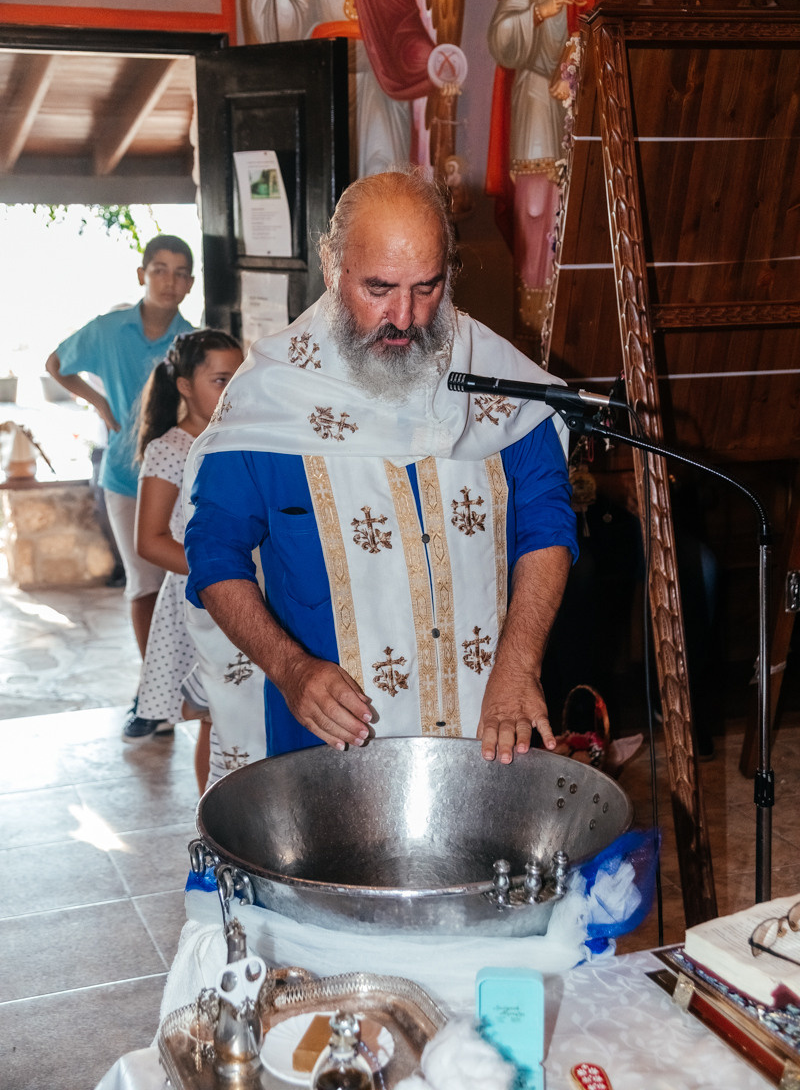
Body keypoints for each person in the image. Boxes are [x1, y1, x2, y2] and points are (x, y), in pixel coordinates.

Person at [183, 169, 579, 771]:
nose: (405, 316)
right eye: (379, 288)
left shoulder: (500, 383)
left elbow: (546, 521)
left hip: (485, 723)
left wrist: (519, 664)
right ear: (331, 266)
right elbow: (214, 554)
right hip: (330, 744)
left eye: (427, 287)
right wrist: (290, 669)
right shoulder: (270, 398)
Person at [45, 237, 196, 682]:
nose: (169, 281)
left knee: (184, 585)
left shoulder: (192, 341)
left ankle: (189, 687)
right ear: (141, 275)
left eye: (180, 273)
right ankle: (153, 689)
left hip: (181, 476)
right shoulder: (108, 329)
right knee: (144, 584)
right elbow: (56, 364)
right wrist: (99, 403)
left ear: (190, 284)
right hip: (125, 477)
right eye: (160, 270)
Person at [486, 0, 613, 362]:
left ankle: (567, 328)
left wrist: (577, 65)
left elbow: (610, 35)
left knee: (573, 207)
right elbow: (501, 40)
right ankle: (530, 327)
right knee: (534, 207)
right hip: (535, 96)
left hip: (580, 100)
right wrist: (537, 12)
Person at [123, 332, 243, 791]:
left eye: (239, 378)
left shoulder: (239, 437)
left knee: (240, 706)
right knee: (216, 713)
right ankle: (212, 818)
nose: (232, 390)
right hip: (200, 596)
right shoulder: (170, 450)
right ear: (185, 386)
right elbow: (150, 542)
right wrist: (220, 568)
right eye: (220, 380)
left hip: (244, 589)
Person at [245, 0, 437, 176]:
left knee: (381, 168)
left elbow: (404, 24)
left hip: (378, 75)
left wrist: (429, 58)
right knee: (325, 168)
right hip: (327, 74)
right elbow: (289, 17)